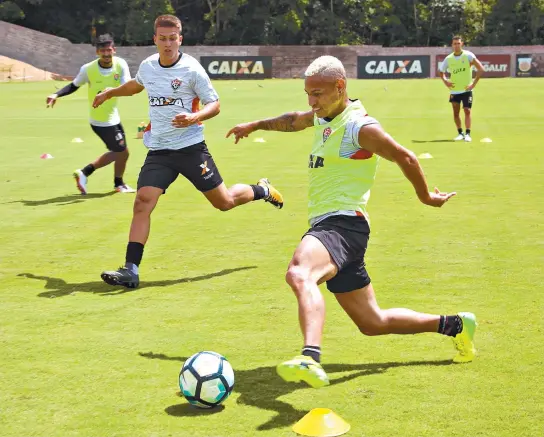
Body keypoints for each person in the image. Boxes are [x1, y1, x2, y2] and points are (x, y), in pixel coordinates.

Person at [227, 56, 477, 389]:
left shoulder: (360, 127)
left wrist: (426, 197)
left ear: (340, 87)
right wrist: (255, 125)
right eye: (308, 94)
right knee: (373, 322)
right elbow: (292, 120)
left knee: (299, 272)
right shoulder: (322, 116)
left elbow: (405, 156)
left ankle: (310, 357)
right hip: (341, 229)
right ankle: (456, 325)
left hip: (342, 224)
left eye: (317, 93)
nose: (311, 102)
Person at [92, 15, 283, 289]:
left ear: (180, 39)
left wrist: (195, 117)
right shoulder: (148, 66)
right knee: (143, 202)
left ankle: (262, 190)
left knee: (224, 202)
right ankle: (131, 270)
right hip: (159, 150)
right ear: (155, 39)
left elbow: (214, 104)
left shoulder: (191, 69)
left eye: (173, 39)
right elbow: (137, 85)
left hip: (191, 149)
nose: (168, 44)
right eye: (163, 39)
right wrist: (111, 93)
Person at [46, 34, 135, 194]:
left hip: (113, 117)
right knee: (120, 151)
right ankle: (89, 174)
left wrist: (111, 92)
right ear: (97, 52)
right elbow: (74, 85)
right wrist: (56, 94)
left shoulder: (121, 64)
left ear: (114, 50)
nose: (106, 54)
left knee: (122, 152)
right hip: (101, 120)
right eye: (103, 51)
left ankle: (113, 182)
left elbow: (127, 86)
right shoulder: (88, 69)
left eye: (109, 50)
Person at [438, 36, 485, 142]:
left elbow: (481, 69)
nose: (456, 45)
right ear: (452, 45)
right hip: (454, 90)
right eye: (454, 44)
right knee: (456, 112)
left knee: (467, 110)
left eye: (458, 43)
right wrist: (445, 81)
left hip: (467, 90)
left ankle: (468, 134)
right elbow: (441, 71)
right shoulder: (449, 59)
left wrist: (473, 84)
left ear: (462, 44)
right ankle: (460, 133)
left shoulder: (468, 56)